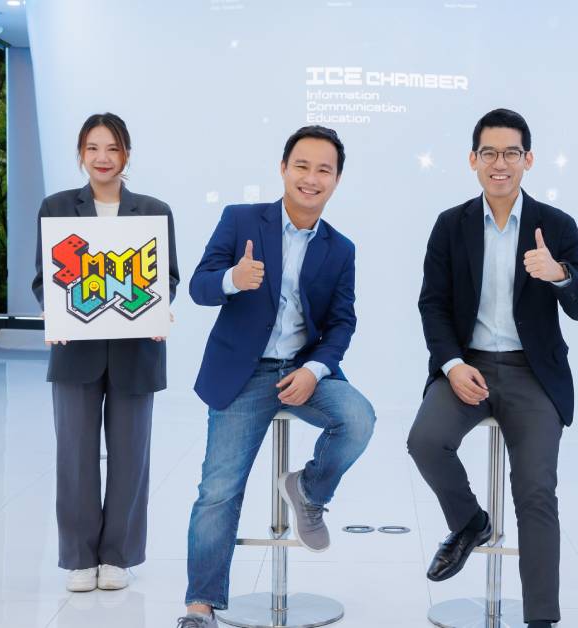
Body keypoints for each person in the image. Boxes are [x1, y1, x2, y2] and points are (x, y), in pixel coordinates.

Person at [409, 108, 578, 628]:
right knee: (425, 441)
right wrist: (452, 365)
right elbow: (432, 305)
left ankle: (541, 619)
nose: (500, 163)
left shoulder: (556, 225)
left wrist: (558, 274)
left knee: (535, 489)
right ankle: (469, 521)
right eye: (489, 153)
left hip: (532, 371)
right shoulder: (450, 225)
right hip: (466, 366)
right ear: (472, 160)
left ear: (528, 159)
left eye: (511, 153)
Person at [178, 126, 375, 628]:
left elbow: (342, 323)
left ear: (337, 180)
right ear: (283, 168)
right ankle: (201, 605)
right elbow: (199, 287)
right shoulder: (240, 220)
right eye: (302, 166)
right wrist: (233, 279)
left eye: (324, 170)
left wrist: (313, 369)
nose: (311, 178)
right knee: (219, 490)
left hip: (304, 371)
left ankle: (308, 490)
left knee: (358, 419)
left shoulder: (341, 248)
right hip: (243, 373)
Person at [31, 112, 179, 592]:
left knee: (131, 457)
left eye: (112, 148)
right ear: (80, 154)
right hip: (75, 351)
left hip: (136, 351)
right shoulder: (57, 208)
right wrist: (53, 312)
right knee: (74, 456)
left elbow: (167, 277)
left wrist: (158, 308)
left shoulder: (154, 211)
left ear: (126, 155)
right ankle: (78, 559)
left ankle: (118, 556)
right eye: (93, 148)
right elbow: (45, 278)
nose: (103, 158)